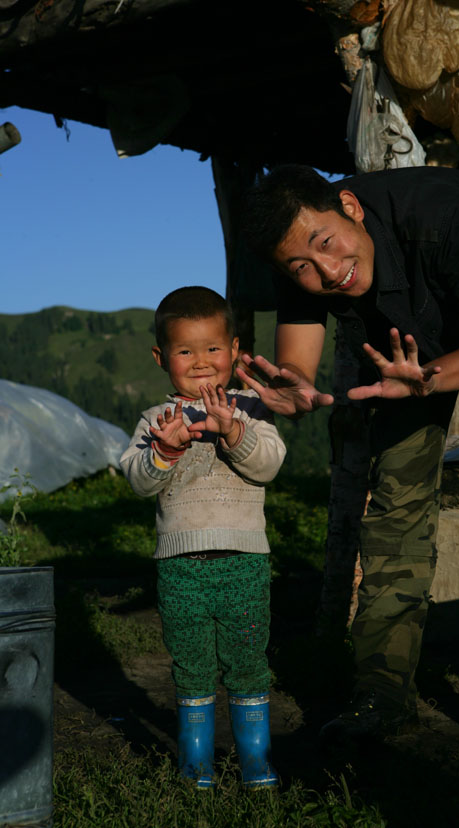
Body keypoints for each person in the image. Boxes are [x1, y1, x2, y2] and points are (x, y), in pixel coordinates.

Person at [238, 164, 459, 760]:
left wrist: (432, 378)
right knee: (396, 500)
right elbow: (297, 366)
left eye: (327, 243)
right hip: (400, 350)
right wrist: (294, 388)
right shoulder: (296, 254)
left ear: (349, 206)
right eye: (302, 268)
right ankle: (381, 692)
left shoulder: (443, 216)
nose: (327, 272)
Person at [120, 286, 286, 788]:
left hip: (245, 563)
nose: (200, 362)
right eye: (184, 351)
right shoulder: (156, 421)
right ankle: (196, 767)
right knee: (191, 666)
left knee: (247, 662)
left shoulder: (252, 409)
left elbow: (269, 465)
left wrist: (233, 431)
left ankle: (255, 761)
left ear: (234, 350)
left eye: (213, 348)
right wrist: (164, 452)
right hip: (180, 568)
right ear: (160, 357)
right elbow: (137, 479)